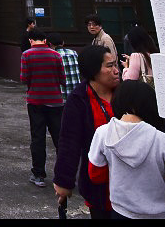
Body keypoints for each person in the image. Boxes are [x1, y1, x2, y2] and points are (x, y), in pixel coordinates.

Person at [88, 80, 165, 219]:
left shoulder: (103, 133)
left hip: (122, 212)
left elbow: (96, 175)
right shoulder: (164, 141)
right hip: (163, 214)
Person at [53, 45, 121, 219]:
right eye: (109, 66)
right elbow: (69, 142)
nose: (116, 70)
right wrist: (63, 181)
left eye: (115, 65)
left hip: (130, 182)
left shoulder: (125, 93)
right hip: (98, 183)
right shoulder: (78, 100)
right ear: (93, 71)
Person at [20, 29, 65, 187]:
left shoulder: (27, 55)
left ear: (31, 40)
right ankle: (65, 173)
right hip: (55, 100)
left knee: (38, 138)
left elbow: (24, 78)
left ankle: (38, 174)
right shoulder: (56, 55)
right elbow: (62, 78)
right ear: (45, 40)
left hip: (35, 101)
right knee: (59, 138)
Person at [48, 32, 81, 103]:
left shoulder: (52, 56)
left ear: (50, 44)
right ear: (63, 43)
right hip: (76, 95)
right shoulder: (74, 53)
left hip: (61, 97)